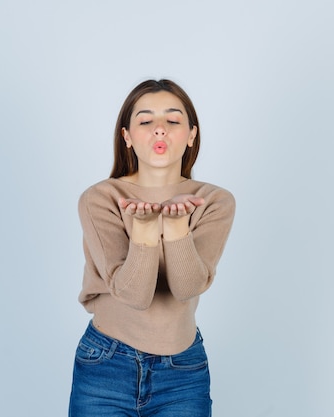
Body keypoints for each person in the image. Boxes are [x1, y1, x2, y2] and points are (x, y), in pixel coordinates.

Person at [68, 79, 235, 416]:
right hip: (105, 367)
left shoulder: (214, 201)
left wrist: (175, 226)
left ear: (191, 135)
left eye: (173, 121)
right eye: (146, 121)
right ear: (127, 136)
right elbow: (134, 295)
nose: (160, 130)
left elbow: (186, 288)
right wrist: (144, 233)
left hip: (182, 372)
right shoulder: (100, 199)